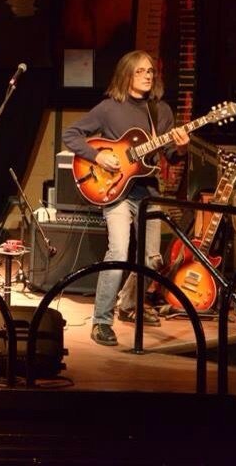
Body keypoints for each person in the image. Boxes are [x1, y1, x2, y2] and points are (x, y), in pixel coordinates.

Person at [62, 50, 190, 346]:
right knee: (119, 253)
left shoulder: (161, 111)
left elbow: (170, 156)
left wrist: (182, 147)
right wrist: (98, 156)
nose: (147, 76)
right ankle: (101, 321)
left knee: (152, 260)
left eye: (150, 71)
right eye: (140, 71)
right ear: (126, 75)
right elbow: (71, 135)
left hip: (148, 191)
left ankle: (129, 304)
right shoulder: (109, 108)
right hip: (115, 190)